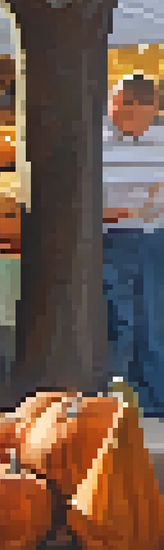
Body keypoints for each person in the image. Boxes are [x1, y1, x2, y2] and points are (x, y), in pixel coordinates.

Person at [102, 74, 164, 415]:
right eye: (116, 108)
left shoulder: (159, 139)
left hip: (153, 239)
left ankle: (153, 404)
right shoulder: (97, 140)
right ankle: (116, 403)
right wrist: (125, 211)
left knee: (152, 324)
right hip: (112, 240)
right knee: (119, 322)